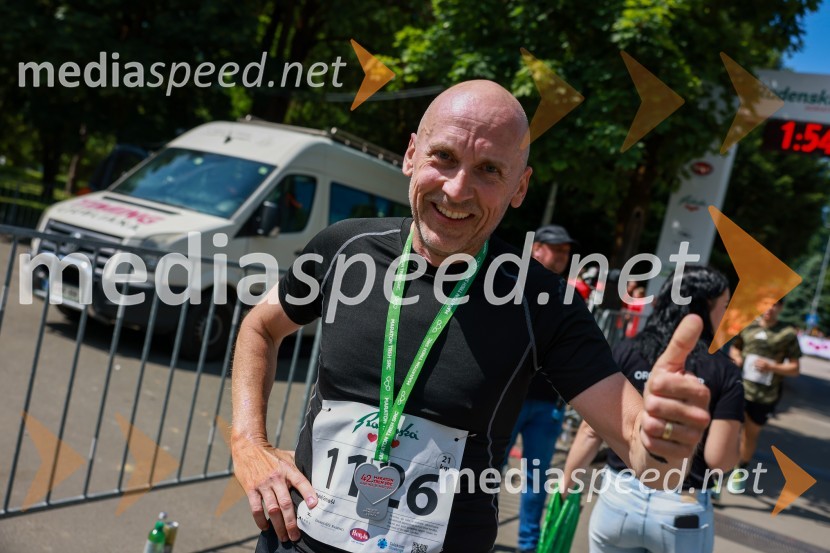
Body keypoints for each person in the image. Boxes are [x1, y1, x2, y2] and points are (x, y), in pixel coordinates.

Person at [231, 80, 711, 553]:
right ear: (411, 155)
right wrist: (249, 441)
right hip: (299, 543)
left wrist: (665, 440)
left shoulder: (542, 302)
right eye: (443, 157)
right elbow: (261, 326)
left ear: (520, 187)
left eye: (488, 170)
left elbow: (648, 457)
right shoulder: (344, 247)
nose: (457, 190)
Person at [562, 266, 743, 553]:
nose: (728, 315)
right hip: (683, 510)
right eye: (725, 305)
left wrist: (567, 482)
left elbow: (590, 431)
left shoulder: (626, 351)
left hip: (618, 501)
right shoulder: (724, 371)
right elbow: (719, 459)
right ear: (705, 308)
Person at [506, 224, 578, 553]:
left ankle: (528, 547)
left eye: (566, 250)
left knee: (536, 482)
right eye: (555, 248)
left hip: (548, 403)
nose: (562, 255)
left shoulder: (568, 293)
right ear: (536, 248)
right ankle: (470, 535)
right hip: (508, 400)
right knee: (485, 471)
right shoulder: (510, 284)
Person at [727, 298, 801, 493]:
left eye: (775, 304)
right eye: (766, 303)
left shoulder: (787, 334)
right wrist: (736, 357)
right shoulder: (749, 326)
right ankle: (718, 474)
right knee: (729, 432)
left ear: (781, 307)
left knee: (750, 435)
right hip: (738, 388)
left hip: (765, 395)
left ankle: (739, 471)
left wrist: (772, 367)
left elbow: (794, 368)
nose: (770, 308)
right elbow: (736, 346)